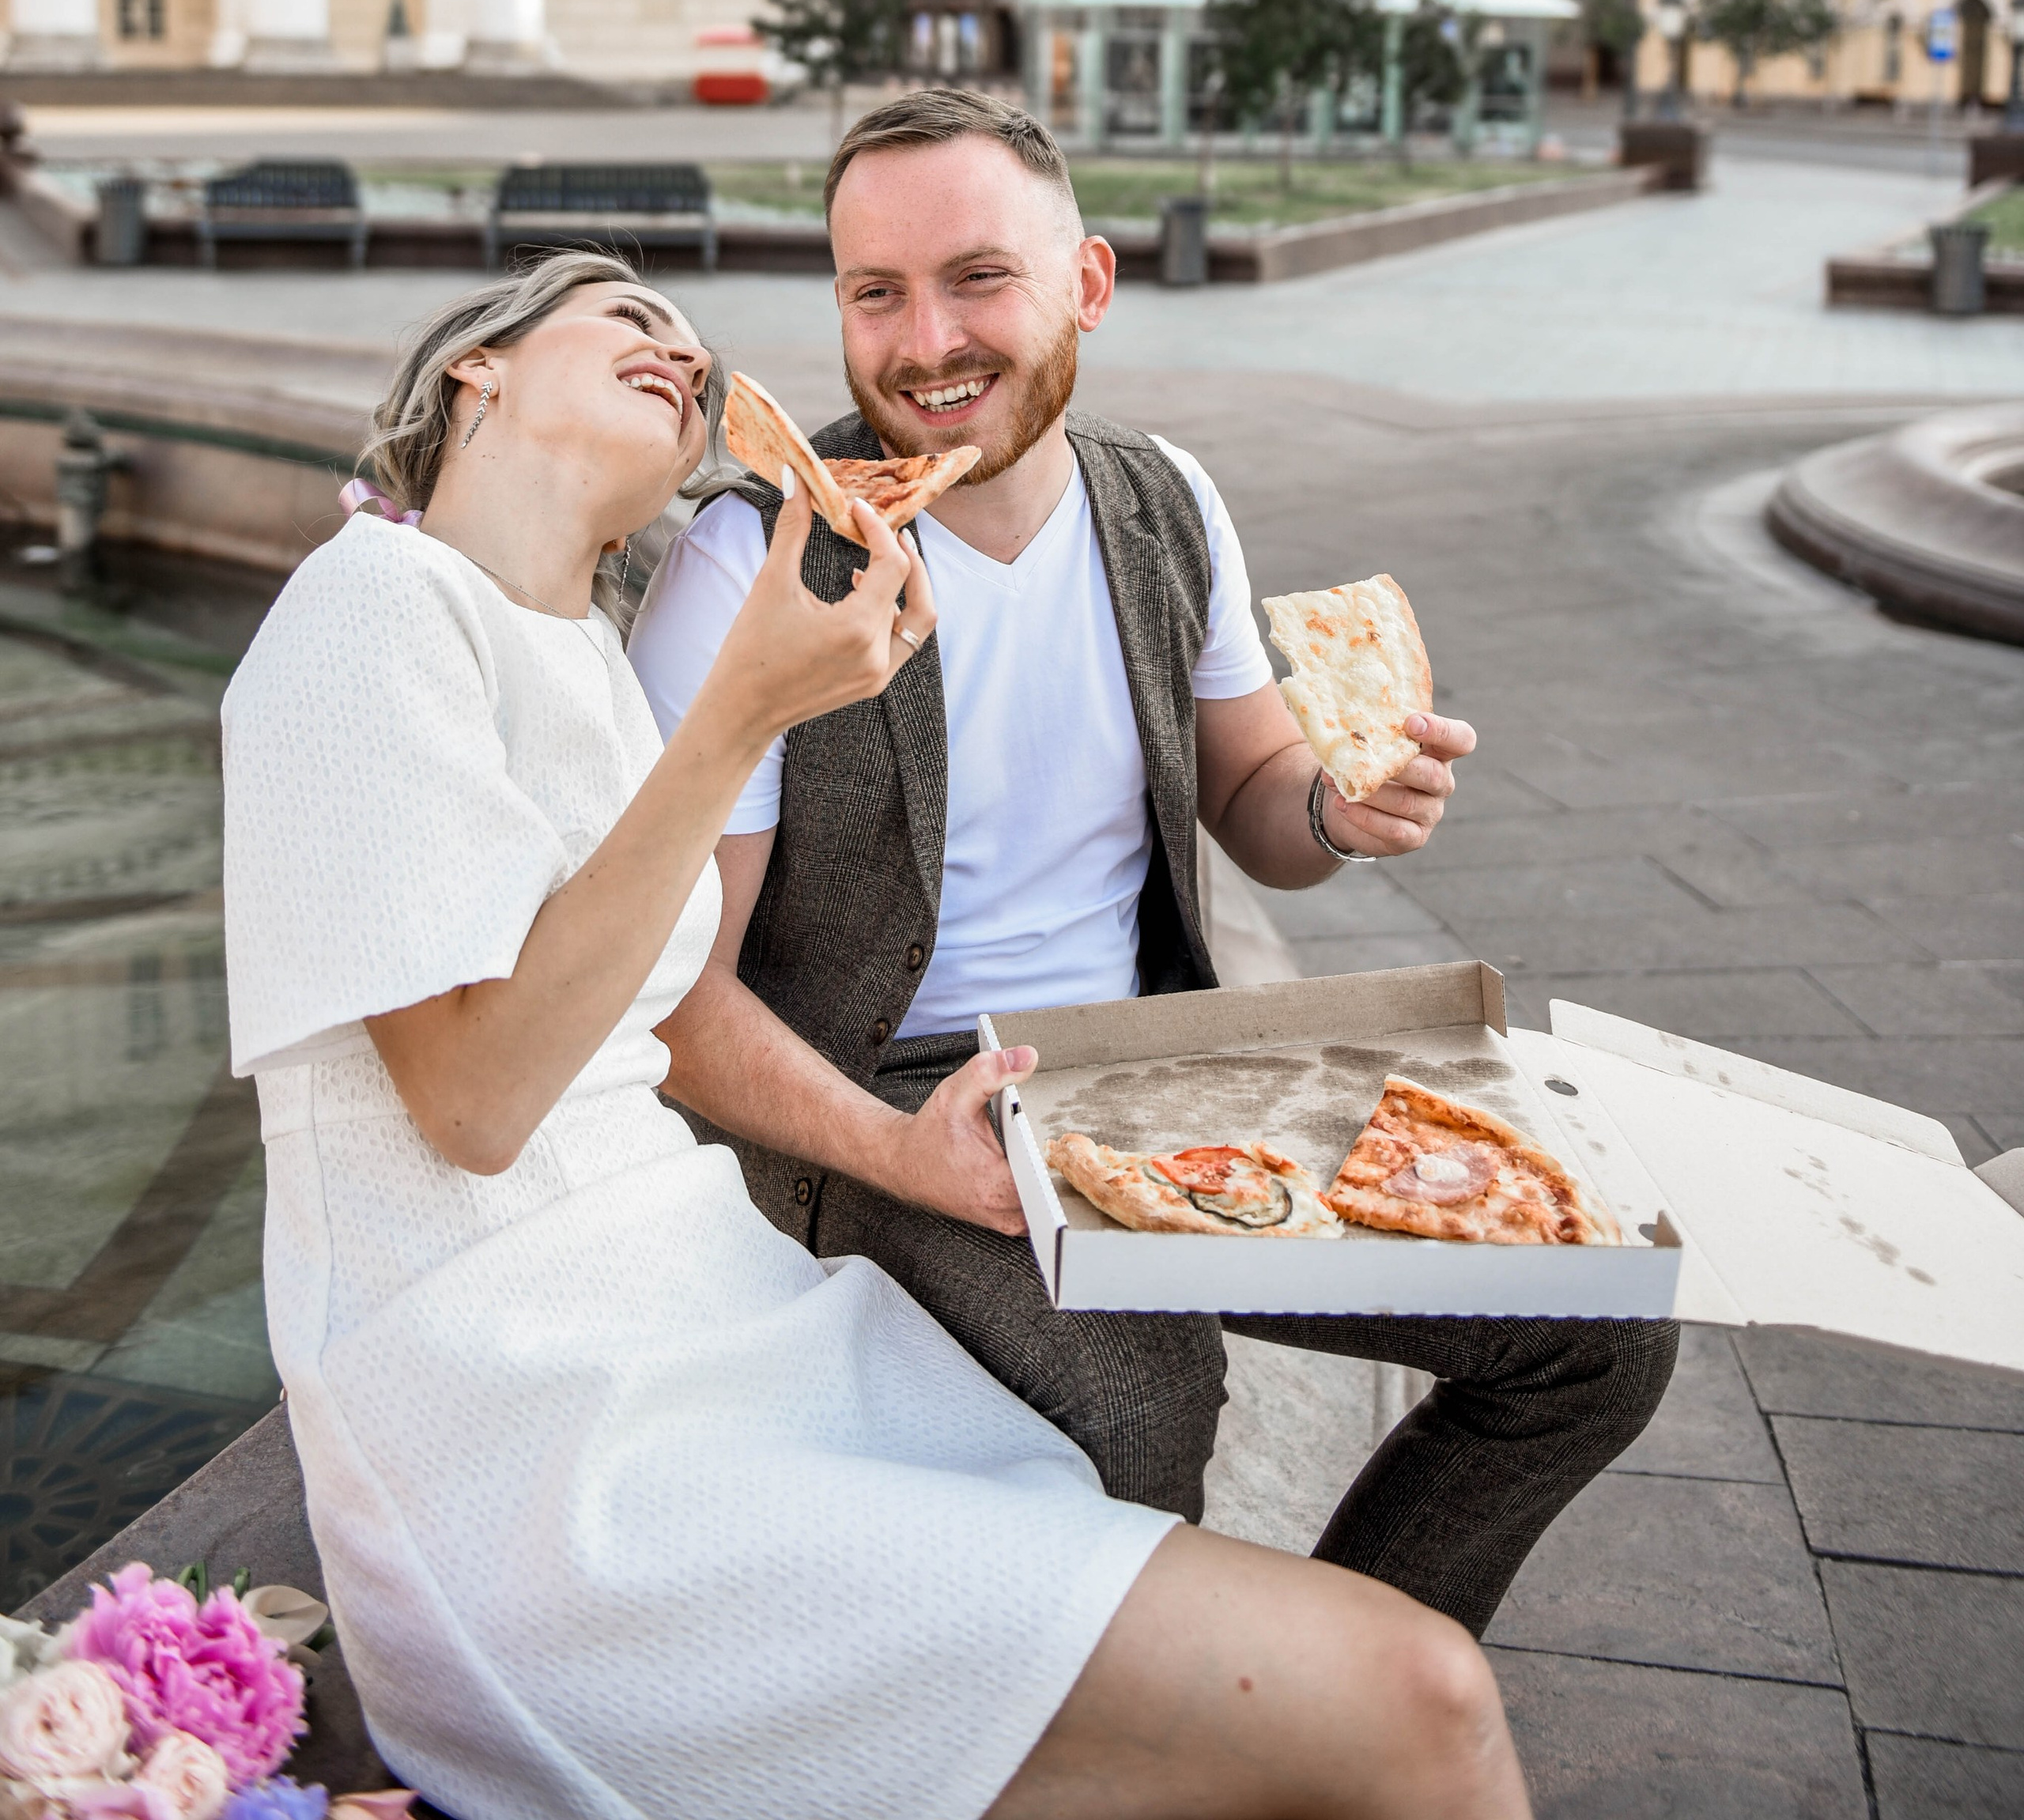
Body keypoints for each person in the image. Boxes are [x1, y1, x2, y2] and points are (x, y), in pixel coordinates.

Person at [222, 248, 1527, 1820]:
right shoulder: (374, 597)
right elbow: (475, 1104)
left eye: (696, 353)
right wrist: (743, 716)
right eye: (630, 316)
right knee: (1418, 1694)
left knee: (1338, 1694)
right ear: (473, 371)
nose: (684, 353)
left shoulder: (587, 664)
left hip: (717, 1325)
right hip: (538, 1430)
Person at [632, 89, 1678, 1637]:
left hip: (1138, 1072)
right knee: (1131, 1411)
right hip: (881, 1099)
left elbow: (1256, 793)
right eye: (875, 292)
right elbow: (671, 998)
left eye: (978, 277)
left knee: (1594, 1331)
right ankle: (1241, 1712)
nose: (925, 342)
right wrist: (901, 1150)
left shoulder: (1165, 503)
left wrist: (1341, 810)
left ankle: (1346, 1703)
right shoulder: (753, 561)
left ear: (1088, 283)